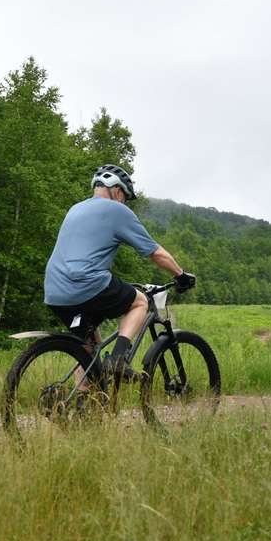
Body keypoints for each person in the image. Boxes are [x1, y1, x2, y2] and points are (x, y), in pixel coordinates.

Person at [44, 164, 196, 386]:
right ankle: (118, 358)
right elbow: (155, 252)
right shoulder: (117, 210)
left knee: (88, 352)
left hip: (54, 290)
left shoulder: (75, 209)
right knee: (140, 302)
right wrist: (181, 275)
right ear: (117, 191)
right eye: (124, 197)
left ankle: (81, 402)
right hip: (87, 284)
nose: (124, 202)